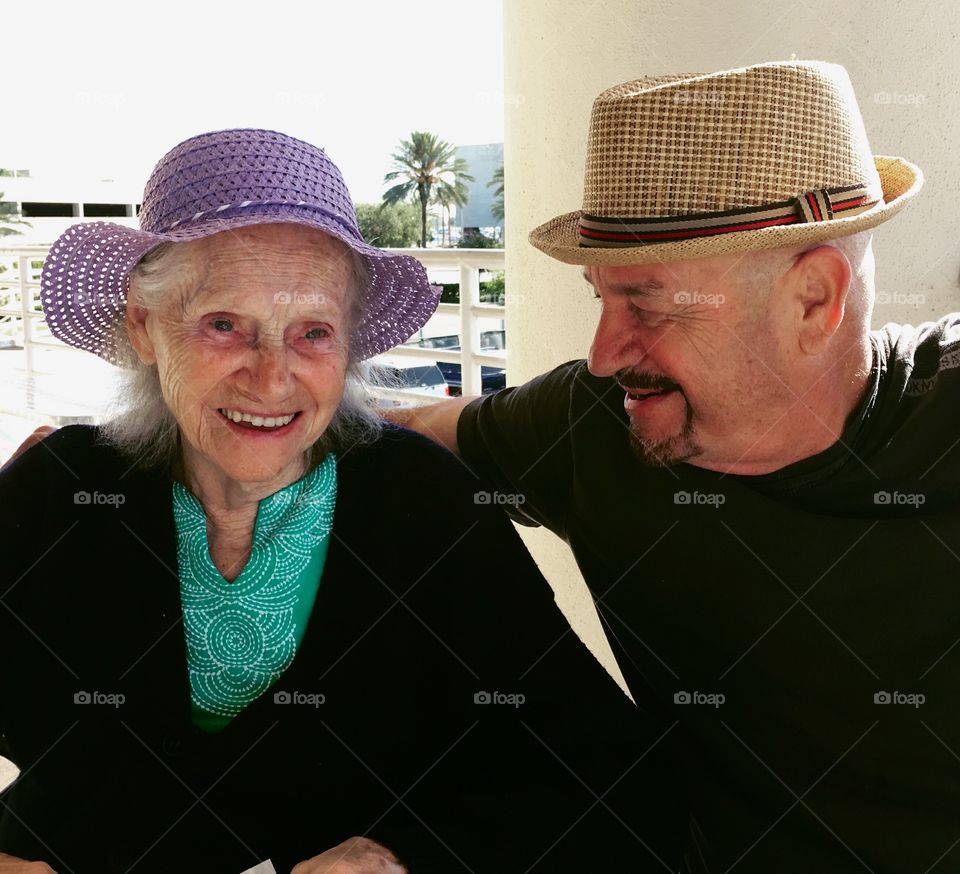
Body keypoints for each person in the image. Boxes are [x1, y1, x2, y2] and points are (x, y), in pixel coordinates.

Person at [0, 129, 686, 873]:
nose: (270, 379)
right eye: (223, 325)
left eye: (313, 333)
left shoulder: (423, 505)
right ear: (143, 325)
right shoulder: (59, 493)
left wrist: (406, 855)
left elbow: (607, 777)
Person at [386, 60, 960, 872]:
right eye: (601, 299)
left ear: (812, 301)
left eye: (647, 306)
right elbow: (403, 437)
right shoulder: (596, 422)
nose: (602, 354)